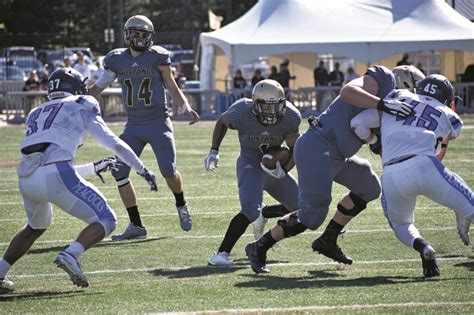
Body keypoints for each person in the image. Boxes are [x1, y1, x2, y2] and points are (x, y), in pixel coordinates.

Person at [245, 66, 414, 274]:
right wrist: (383, 104)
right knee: (312, 215)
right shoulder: (382, 80)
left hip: (338, 155)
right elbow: (347, 92)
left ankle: (328, 239)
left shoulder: (395, 110)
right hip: (318, 146)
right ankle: (258, 247)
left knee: (369, 187)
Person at [0, 68, 157, 289]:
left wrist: (95, 167)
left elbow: (49, 166)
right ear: (73, 86)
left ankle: (0, 272)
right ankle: (71, 254)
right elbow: (111, 142)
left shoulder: (35, 112)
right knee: (107, 219)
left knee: (35, 227)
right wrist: (141, 168)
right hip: (55, 176)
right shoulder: (82, 102)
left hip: (27, 179)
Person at [89, 15, 199, 240]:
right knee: (119, 171)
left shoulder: (157, 56)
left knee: (168, 170)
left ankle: (181, 204)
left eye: (143, 34)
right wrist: (77, 96)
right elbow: (100, 85)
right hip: (134, 125)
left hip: (158, 122)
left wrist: (185, 107)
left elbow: (171, 83)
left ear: (150, 36)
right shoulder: (116, 59)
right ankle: (136, 226)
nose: (139, 38)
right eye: (136, 33)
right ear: (128, 34)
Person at [352, 74, 472, 277]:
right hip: (425, 166)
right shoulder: (448, 114)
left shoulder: (396, 97)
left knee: (401, 224)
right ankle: (463, 211)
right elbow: (444, 141)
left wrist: (374, 141)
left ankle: (423, 246)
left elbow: (357, 123)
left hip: (391, 173)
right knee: (471, 206)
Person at [205, 79, 301, 266]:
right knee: (249, 210)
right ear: (255, 103)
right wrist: (214, 150)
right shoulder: (241, 111)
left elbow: (294, 148)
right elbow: (222, 122)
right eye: (266, 107)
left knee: (301, 208)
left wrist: (285, 170)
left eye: (276, 106)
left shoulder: (291, 116)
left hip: (273, 168)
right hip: (250, 163)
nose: (272, 113)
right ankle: (221, 254)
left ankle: (265, 213)